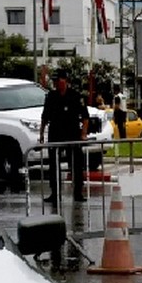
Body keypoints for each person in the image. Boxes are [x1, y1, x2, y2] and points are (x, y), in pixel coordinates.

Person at [39, 69, 90, 203]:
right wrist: (41, 134)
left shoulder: (75, 96)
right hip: (55, 134)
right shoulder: (51, 96)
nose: (56, 83)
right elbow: (45, 117)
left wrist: (83, 134)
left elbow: (85, 117)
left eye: (58, 80)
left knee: (76, 165)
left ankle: (78, 192)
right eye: (54, 81)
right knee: (54, 165)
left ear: (65, 80)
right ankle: (55, 193)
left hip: (72, 134)